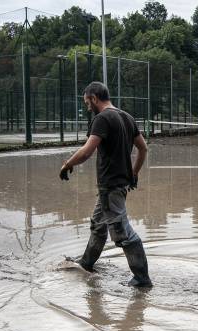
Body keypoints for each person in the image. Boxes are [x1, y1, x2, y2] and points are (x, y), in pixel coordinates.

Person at [59, 81, 152, 287]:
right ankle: (86, 263)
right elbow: (143, 149)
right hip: (118, 184)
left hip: (110, 185)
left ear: (94, 98)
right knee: (99, 226)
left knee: (122, 233)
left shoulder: (102, 119)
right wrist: (133, 174)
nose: (87, 107)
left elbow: (86, 151)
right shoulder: (126, 117)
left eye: (87, 103)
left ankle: (142, 279)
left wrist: (67, 164)